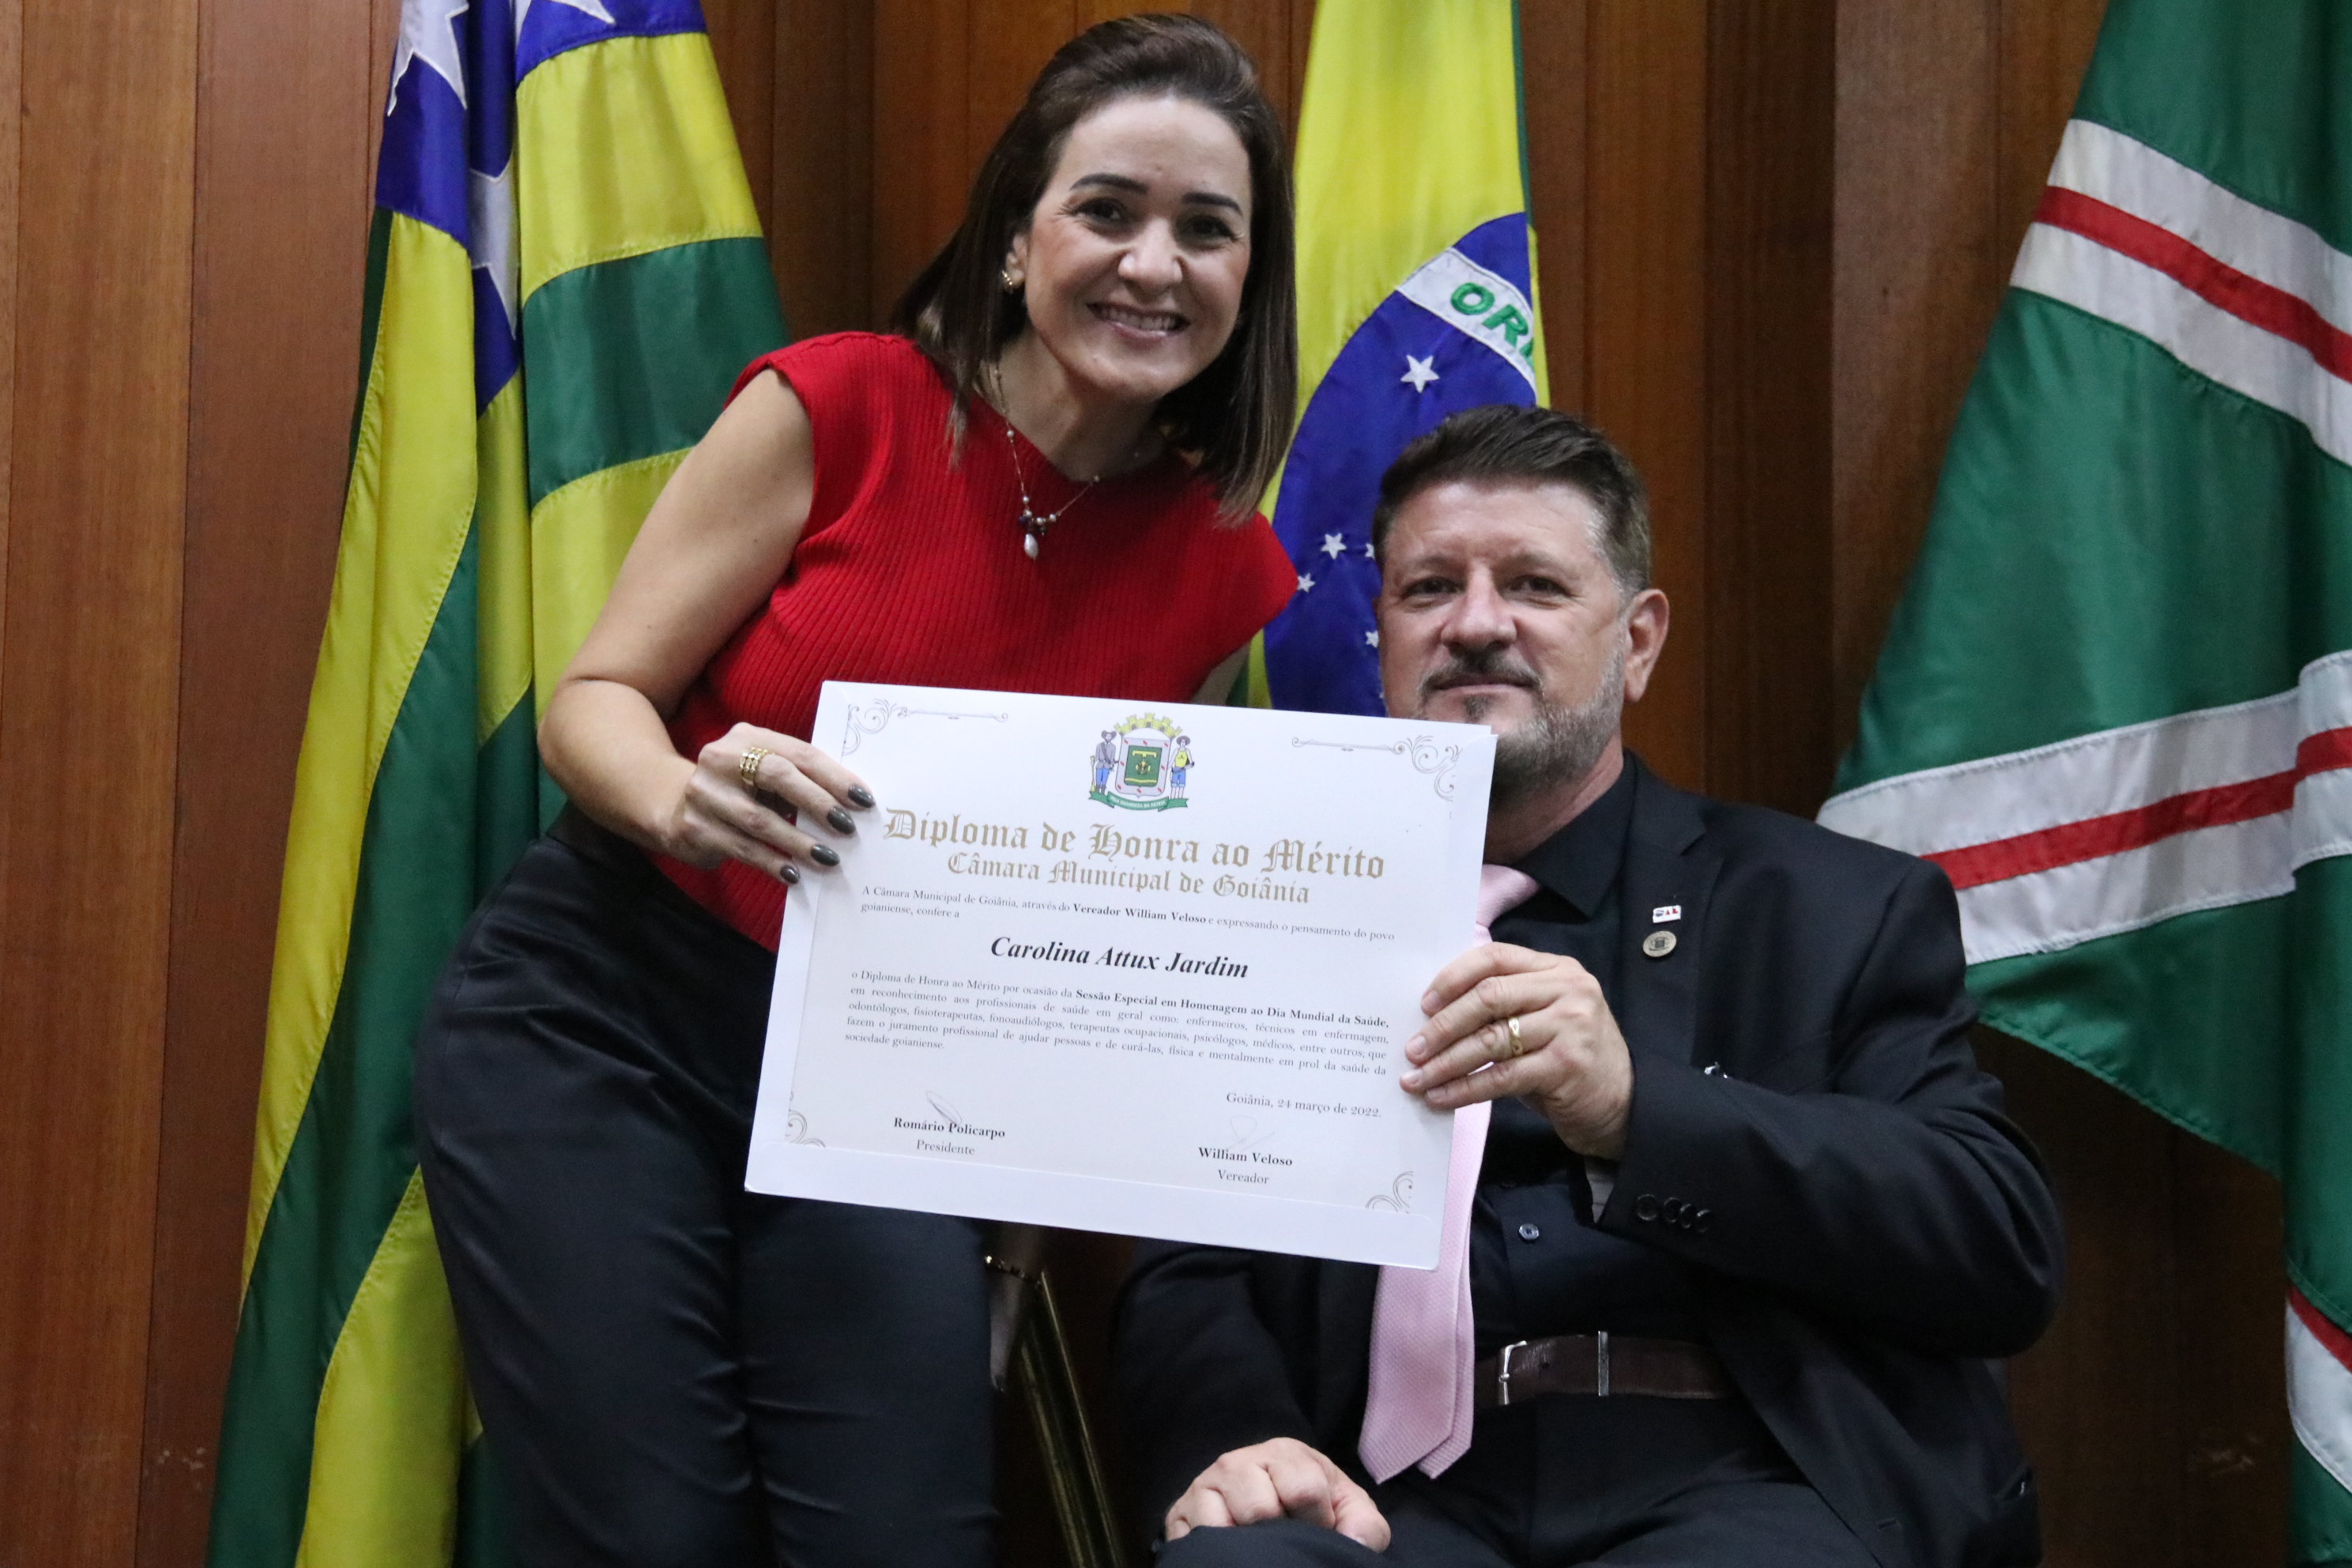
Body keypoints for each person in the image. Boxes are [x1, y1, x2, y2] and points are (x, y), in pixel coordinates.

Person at [411, 17, 1299, 1567]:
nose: (1153, 264)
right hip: (608, 1018)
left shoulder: (1227, 569)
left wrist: (1014, 1234)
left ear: (1248, 278)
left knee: (903, 1533)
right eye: (1108, 209)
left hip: (891, 1089)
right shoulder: (841, 405)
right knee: (650, 1538)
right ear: (1016, 238)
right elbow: (595, 700)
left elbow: (1092, 930)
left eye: (1205, 229)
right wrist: (683, 796)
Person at [1112, 405, 2064, 1568]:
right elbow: (1191, 1271)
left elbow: (1995, 1245)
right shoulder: (1266, 916)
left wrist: (1636, 1111)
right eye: (1429, 589)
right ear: (1383, 637)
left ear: (1639, 641)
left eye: (1534, 586)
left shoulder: (1829, 908)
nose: (1476, 624)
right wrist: (1238, 1440)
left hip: (1738, 1477)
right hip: (1389, 1509)